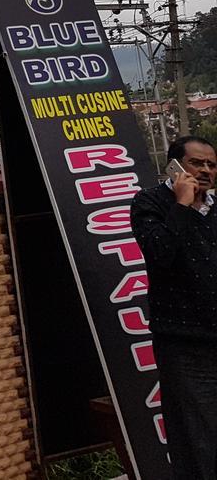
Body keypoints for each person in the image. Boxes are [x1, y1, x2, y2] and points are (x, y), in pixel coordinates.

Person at [132, 135, 217, 479]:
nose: (206, 170)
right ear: (176, 165)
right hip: (185, 342)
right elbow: (160, 253)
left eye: (212, 164)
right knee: (195, 439)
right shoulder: (150, 202)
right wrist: (181, 205)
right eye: (198, 163)